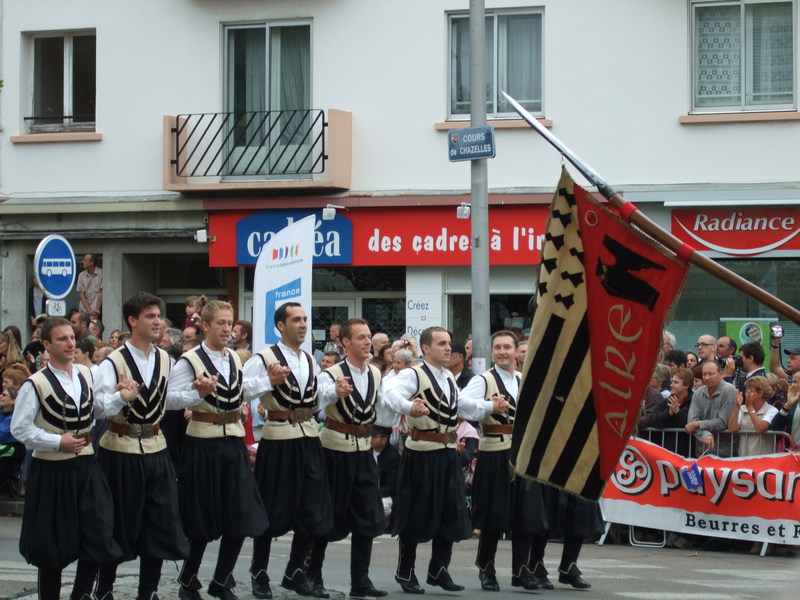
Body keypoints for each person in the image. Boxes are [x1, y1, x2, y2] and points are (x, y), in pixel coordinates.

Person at [382, 326, 507, 594]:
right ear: (426, 348)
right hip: (421, 454)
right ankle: (406, 571)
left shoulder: (449, 376)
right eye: (441, 343)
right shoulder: (413, 374)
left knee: (450, 512)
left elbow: (462, 405)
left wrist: (490, 407)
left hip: (447, 455)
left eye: (449, 343)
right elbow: (389, 390)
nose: (448, 348)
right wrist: (408, 406)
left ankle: (439, 569)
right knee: (416, 513)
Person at [11, 317, 120, 600]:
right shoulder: (35, 384)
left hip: (86, 465)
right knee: (52, 546)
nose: (71, 343)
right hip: (51, 470)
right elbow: (20, 428)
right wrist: (57, 440)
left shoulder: (86, 373)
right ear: (46, 344)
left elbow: (95, 409)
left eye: (72, 338)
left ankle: (81, 594)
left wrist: (122, 397)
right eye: (62, 339)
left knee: (98, 534)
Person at [167, 301, 269, 600]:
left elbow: (240, 392)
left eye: (231, 324)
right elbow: (170, 400)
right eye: (222, 323)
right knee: (201, 517)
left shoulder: (235, 359)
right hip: (202, 443)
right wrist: (195, 392)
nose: (228, 329)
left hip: (233, 443)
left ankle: (221, 580)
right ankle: (188, 580)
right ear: (206, 326)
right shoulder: (190, 360)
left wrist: (268, 382)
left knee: (241, 515)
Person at [93, 293, 189, 600]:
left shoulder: (165, 359)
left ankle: (147, 592)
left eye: (159, 315)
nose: (158, 321)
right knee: (118, 522)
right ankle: (105, 589)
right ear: (133, 321)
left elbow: (170, 399)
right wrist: (120, 398)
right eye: (150, 316)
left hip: (156, 448)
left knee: (159, 522)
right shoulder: (113, 361)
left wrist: (197, 394)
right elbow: (97, 408)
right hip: (120, 449)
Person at [243, 302, 333, 599]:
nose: (303, 324)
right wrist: (267, 380)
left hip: (308, 438)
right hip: (279, 439)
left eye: (305, 319)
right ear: (280, 326)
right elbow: (240, 389)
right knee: (272, 507)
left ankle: (295, 570)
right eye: (296, 320)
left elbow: (317, 397)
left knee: (313, 507)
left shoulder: (309, 358)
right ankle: (259, 571)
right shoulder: (264, 357)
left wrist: (336, 391)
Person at [306, 318, 387, 599]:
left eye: (369, 337)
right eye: (362, 338)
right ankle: (312, 574)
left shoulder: (375, 374)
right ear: (345, 343)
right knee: (328, 516)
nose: (368, 342)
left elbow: (384, 405)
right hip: (334, 451)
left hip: (363, 450)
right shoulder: (331, 373)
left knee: (367, 516)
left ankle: (360, 580)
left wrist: (411, 408)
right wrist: (333, 392)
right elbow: (312, 404)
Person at [460, 330, 546, 591]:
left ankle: (521, 571)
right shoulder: (483, 380)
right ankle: (487, 570)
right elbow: (461, 403)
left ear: (515, 350)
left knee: (525, 515)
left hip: (522, 454)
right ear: (492, 351)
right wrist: (488, 406)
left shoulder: (523, 379)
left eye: (507, 347)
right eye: (497, 347)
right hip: (495, 453)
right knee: (493, 515)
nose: (502, 352)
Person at [686, 360, 736, 457]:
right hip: (702, 451)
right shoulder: (698, 393)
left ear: (721, 374)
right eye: (704, 374)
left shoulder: (729, 390)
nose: (707, 378)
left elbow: (722, 423)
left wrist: (698, 424)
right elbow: (691, 422)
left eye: (711, 374)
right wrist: (705, 434)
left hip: (723, 451)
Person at [728, 376, 779, 456]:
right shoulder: (742, 408)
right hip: (743, 458)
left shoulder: (772, 410)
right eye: (746, 391)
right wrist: (737, 406)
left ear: (761, 393)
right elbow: (732, 428)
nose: (746, 394)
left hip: (763, 460)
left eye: (751, 391)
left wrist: (750, 407)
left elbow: (760, 428)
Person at [371, 425, 399, 529]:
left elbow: (391, 487)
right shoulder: (365, 453)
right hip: (367, 492)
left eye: (374, 436)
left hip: (384, 494)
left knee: (383, 507)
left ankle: (382, 526)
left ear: (384, 440)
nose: (370, 438)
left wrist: (374, 493)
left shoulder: (394, 457)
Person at [77, 254, 103, 319]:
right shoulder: (81, 275)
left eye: (85, 260)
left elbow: (101, 293)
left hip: (96, 311)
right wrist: (89, 310)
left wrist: (97, 310)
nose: (83, 262)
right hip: (84, 310)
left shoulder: (101, 273)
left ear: (91, 263)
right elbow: (81, 295)